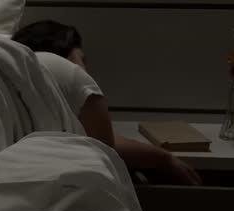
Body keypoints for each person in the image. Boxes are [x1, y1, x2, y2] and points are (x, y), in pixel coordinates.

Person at [12, 20, 202, 185]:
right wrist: (165, 159)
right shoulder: (70, 77)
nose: (85, 68)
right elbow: (105, 147)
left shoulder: (12, 92)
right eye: (82, 59)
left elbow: (101, 137)